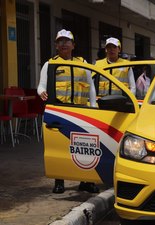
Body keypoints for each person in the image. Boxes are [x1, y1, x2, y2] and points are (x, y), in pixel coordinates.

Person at [37, 29, 99, 194]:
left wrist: (93, 107)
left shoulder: (83, 62)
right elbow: (41, 84)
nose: (64, 44)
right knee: (60, 148)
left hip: (81, 112)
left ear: (73, 45)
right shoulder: (49, 64)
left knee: (85, 147)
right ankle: (59, 181)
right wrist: (40, 91)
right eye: (60, 41)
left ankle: (86, 181)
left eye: (67, 41)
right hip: (60, 113)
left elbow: (91, 86)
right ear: (56, 45)